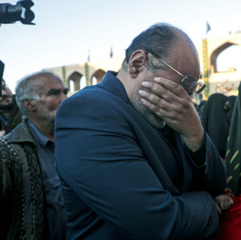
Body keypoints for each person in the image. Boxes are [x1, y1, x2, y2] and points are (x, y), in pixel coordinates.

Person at [55, 23, 227, 239]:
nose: (186, 100)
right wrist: (209, 203)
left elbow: (219, 183)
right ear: (137, 64)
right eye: (183, 85)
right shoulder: (87, 112)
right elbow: (155, 224)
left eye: (192, 91)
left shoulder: (170, 112)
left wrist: (195, 134)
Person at [0, 71, 68, 239]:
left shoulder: (78, 139)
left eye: (65, 92)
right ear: (29, 104)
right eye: (54, 93)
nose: (66, 99)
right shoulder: (8, 153)